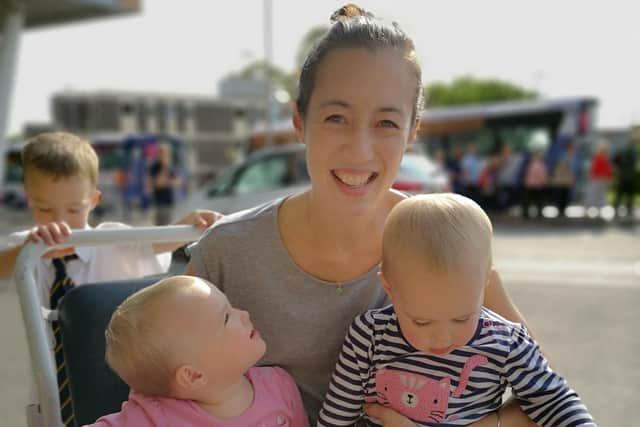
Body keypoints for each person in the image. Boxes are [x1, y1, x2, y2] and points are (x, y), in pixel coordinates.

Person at [187, 4, 538, 426]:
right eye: (337, 117)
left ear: (413, 130)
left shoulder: (445, 237)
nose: (361, 150)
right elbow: (167, 403)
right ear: (300, 121)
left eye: (387, 123)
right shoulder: (226, 254)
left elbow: (542, 398)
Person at [0, 132, 219, 427]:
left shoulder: (111, 239)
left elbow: (157, 241)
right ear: (29, 200)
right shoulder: (28, 248)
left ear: (93, 201)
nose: (60, 221)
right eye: (45, 209)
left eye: (74, 209)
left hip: (117, 390)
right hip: (50, 394)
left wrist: (192, 223)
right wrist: (27, 249)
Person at [318, 194, 595, 426]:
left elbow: (553, 399)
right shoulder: (368, 337)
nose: (442, 338)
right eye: (421, 321)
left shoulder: (506, 342)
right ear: (389, 288)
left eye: (463, 317)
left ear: (485, 283)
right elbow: (336, 418)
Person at [85, 275, 309, 427]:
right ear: (193, 375)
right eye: (226, 317)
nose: (244, 314)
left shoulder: (279, 386)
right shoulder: (153, 416)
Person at [149, 142, 180, 225]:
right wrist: (164, 168)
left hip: (169, 203)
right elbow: (158, 183)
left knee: (169, 228)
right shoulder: (155, 167)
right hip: (159, 203)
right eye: (162, 152)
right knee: (159, 229)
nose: (164, 155)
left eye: (166, 153)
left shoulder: (170, 167)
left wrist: (167, 182)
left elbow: (177, 183)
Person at [612, 130, 639, 219]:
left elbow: (615, 161)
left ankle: (617, 208)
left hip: (623, 175)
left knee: (621, 193)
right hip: (629, 175)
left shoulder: (623, 151)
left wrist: (618, 168)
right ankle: (628, 209)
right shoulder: (632, 151)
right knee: (628, 193)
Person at [585, 142, 613, 211]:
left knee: (600, 195)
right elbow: (595, 170)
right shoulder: (599, 158)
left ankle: (598, 208)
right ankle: (592, 207)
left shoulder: (603, 158)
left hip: (601, 179)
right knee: (595, 194)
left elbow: (608, 170)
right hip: (598, 179)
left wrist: (609, 178)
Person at [522, 151, 548, 219]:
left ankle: (537, 213)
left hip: (536, 185)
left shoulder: (540, 165)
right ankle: (527, 213)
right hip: (532, 185)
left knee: (537, 201)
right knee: (530, 200)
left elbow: (542, 175)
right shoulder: (531, 165)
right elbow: (527, 175)